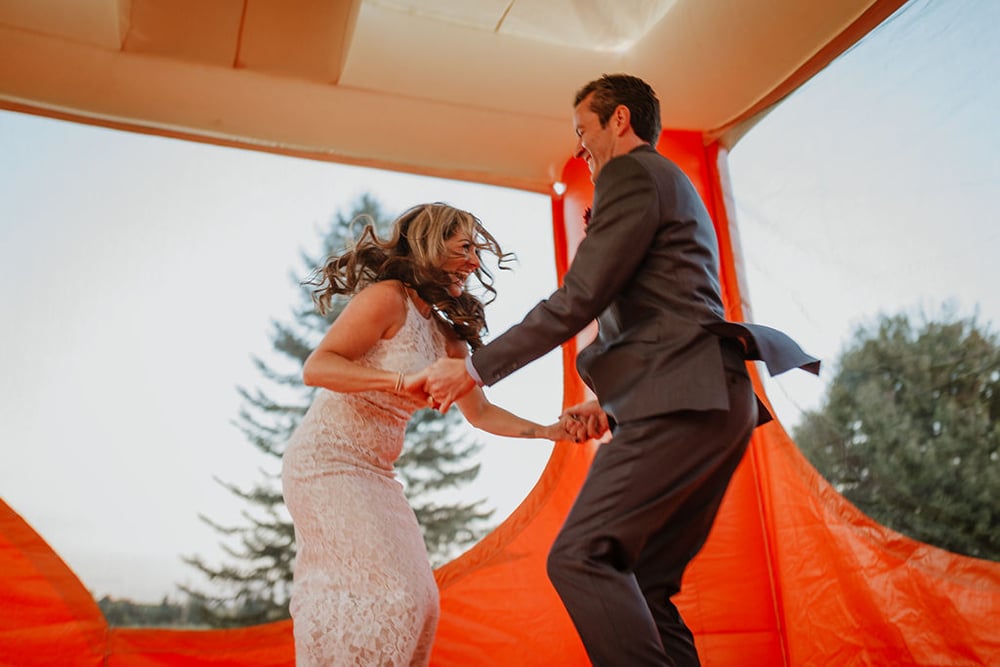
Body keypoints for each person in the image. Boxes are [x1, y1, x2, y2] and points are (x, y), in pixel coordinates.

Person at [423, 74, 820, 666]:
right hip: (712, 399)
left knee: (581, 555)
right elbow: (664, 310)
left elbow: (579, 296)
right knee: (646, 584)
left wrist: (476, 370)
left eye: (583, 132)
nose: (581, 148)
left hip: (683, 401)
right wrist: (609, 405)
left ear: (620, 120)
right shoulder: (669, 185)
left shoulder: (632, 175)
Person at [280, 202, 569, 667]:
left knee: (423, 602)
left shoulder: (446, 337)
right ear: (432, 246)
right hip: (325, 462)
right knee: (399, 597)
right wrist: (397, 382)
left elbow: (482, 413)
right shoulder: (386, 298)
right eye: (465, 247)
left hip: (376, 473)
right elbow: (318, 367)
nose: (476, 261)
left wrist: (547, 430)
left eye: (477, 250)